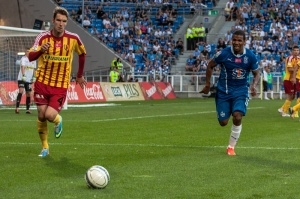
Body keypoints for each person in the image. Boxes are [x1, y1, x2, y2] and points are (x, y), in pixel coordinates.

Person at [28, 7, 87, 157]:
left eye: (64, 21)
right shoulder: (42, 37)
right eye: (58, 20)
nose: (61, 24)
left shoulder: (73, 38)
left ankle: (58, 120)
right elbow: (30, 56)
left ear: (67, 23)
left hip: (60, 85)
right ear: (53, 21)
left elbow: (82, 54)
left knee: (49, 115)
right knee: (41, 115)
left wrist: (79, 76)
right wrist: (41, 50)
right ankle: (45, 147)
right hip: (42, 82)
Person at [199, 30, 260, 156]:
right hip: (223, 92)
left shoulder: (250, 56)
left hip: (241, 91)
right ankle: (225, 115)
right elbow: (210, 65)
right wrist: (207, 84)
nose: (236, 43)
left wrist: (253, 85)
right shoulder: (224, 53)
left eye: (239, 40)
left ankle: (231, 147)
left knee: (237, 116)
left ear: (244, 42)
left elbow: (256, 73)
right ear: (231, 40)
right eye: (234, 40)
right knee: (223, 122)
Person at [278, 46, 300, 117]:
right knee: (290, 95)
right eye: (295, 50)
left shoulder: (299, 59)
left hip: (294, 79)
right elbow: (290, 69)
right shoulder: (289, 58)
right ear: (292, 51)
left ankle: (282, 109)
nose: (296, 51)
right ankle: (284, 111)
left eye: (297, 50)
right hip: (288, 79)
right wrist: (296, 70)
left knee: (293, 96)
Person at [15, 48, 36, 114]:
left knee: (28, 93)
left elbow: (34, 69)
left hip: (29, 79)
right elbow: (23, 67)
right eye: (27, 51)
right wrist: (23, 75)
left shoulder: (34, 60)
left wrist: (34, 76)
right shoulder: (23, 59)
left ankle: (27, 109)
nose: (28, 52)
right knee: (21, 91)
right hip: (22, 78)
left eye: (29, 51)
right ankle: (17, 107)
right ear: (25, 52)